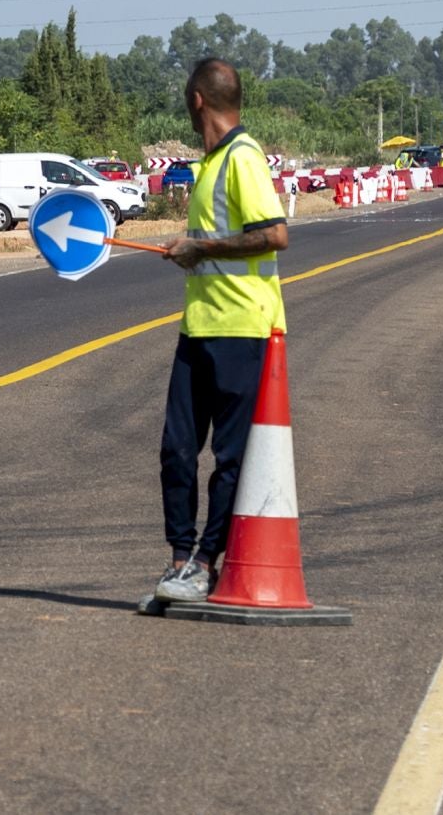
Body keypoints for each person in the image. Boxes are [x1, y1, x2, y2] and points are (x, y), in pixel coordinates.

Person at [152, 57, 289, 604]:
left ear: (197, 101)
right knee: (177, 451)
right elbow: (211, 240)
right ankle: (178, 561)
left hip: (242, 328)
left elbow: (275, 234)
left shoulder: (242, 157)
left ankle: (206, 564)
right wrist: (188, 248)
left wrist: (201, 247)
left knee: (229, 460)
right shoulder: (209, 163)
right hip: (199, 326)